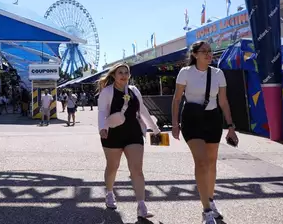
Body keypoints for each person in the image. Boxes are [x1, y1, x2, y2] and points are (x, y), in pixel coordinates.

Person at [171, 41, 238, 224]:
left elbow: (223, 102)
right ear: (195, 54)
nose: (209, 54)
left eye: (210, 52)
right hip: (192, 119)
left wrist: (231, 126)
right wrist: (175, 124)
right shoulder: (185, 73)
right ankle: (206, 210)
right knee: (201, 162)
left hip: (212, 120)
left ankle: (210, 199)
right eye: (204, 52)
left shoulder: (218, 74)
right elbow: (177, 100)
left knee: (211, 162)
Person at [97, 62, 159, 219]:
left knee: (137, 170)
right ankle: (110, 193)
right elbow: (102, 111)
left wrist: (155, 129)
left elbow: (143, 110)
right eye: (120, 72)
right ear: (114, 75)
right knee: (113, 167)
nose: (124, 75)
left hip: (133, 133)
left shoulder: (134, 90)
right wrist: (102, 128)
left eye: (126, 72)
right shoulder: (107, 91)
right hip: (112, 134)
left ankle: (141, 205)